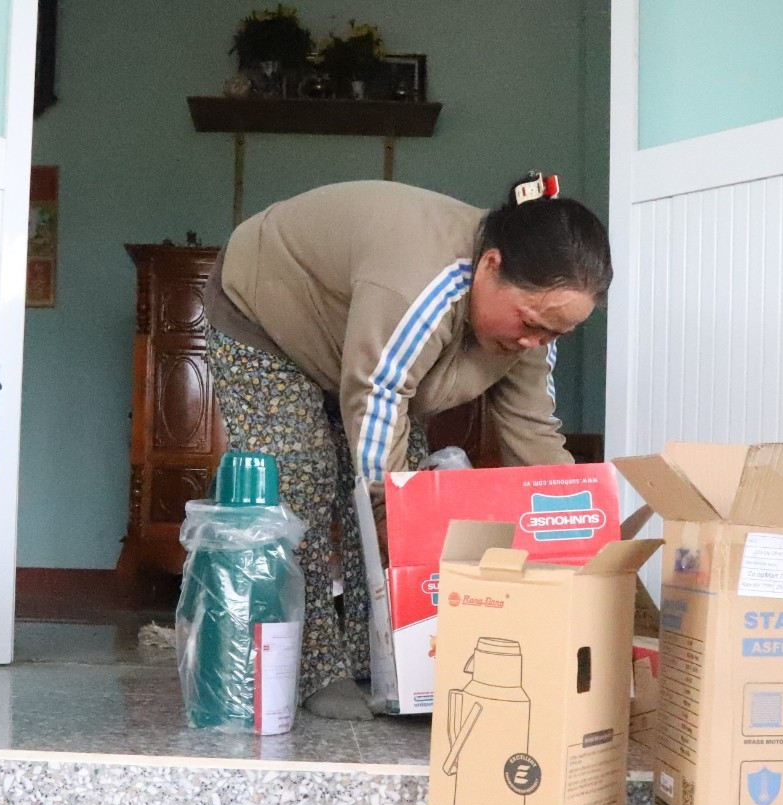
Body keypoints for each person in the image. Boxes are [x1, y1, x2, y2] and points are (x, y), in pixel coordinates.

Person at [201, 175, 612, 720]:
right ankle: (312, 665)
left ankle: (378, 660)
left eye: (554, 334)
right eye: (532, 323)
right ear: (489, 266)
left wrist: (583, 545)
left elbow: (533, 433)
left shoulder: (531, 330)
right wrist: (396, 516)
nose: (535, 342)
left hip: (360, 348)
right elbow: (378, 396)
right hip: (265, 315)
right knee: (307, 475)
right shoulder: (424, 282)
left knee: (414, 485)